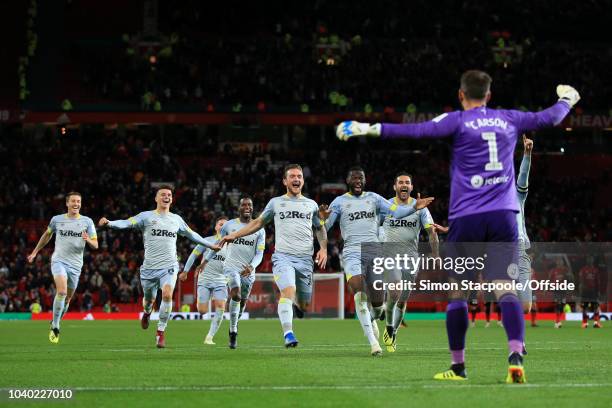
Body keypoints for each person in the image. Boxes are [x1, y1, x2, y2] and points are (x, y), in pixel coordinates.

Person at [337, 70, 579, 382]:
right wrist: (567, 99)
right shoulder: (509, 118)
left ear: (461, 95)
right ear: (489, 96)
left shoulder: (458, 121)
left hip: (468, 217)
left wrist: (365, 128)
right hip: (505, 216)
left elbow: (417, 131)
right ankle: (515, 355)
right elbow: (548, 118)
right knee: (505, 289)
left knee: (459, 292)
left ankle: (458, 367)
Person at [320, 166, 434, 356]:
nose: (358, 180)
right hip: (352, 252)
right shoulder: (339, 202)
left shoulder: (374, 198)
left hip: (374, 253)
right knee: (358, 292)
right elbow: (324, 227)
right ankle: (374, 344)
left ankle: (375, 318)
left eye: (361, 178)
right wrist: (320, 221)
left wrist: (414, 207)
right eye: (354, 178)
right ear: (348, 181)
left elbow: (396, 212)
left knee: (378, 306)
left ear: (365, 181)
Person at [219, 164, 327, 348]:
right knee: (288, 291)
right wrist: (235, 235)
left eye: (299, 176)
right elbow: (258, 223)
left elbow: (320, 227)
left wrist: (323, 248)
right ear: (285, 181)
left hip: (305, 260)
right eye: (292, 176)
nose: (296, 179)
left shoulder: (311, 204)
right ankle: (288, 334)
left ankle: (298, 307)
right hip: (283, 257)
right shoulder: (276, 203)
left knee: (304, 304)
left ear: (303, 180)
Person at [98, 185, 219, 348]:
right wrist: (110, 223)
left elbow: (192, 235)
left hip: (169, 266)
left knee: (167, 295)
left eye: (169, 194)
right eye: (162, 194)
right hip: (149, 268)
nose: (166, 197)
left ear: (171, 199)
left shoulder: (176, 219)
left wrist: (210, 245)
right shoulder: (146, 217)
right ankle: (147, 313)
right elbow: (127, 223)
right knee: (149, 301)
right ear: (156, 198)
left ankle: (160, 332)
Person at [378, 172, 439, 353]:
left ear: (411, 187)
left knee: (403, 301)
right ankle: (388, 325)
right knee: (395, 290)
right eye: (400, 182)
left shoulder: (420, 207)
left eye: (407, 183)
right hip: (390, 255)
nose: (404, 185)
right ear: (395, 187)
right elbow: (374, 226)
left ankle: (393, 332)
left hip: (411, 258)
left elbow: (431, 232)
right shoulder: (386, 206)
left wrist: (435, 254)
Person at [27, 192, 98, 344]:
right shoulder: (57, 220)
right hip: (59, 261)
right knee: (62, 291)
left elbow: (96, 244)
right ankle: (56, 325)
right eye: (73, 201)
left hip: (76, 266)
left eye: (78, 201)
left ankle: (55, 320)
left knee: (67, 300)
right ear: (67, 203)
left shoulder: (87, 222)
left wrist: (88, 240)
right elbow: (47, 235)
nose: (76, 204)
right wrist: (34, 252)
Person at [205, 197, 265, 349]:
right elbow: (218, 245)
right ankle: (233, 332)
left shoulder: (259, 228)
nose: (247, 207)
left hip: (248, 271)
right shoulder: (229, 225)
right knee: (236, 294)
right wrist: (205, 261)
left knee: (242, 301)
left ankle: (234, 323)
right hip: (230, 266)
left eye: (249, 205)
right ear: (239, 208)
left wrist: (252, 267)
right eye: (244, 204)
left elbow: (260, 253)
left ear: (252, 208)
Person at [180, 216, 228, 344]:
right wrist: (185, 271)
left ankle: (210, 337)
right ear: (216, 227)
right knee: (202, 311)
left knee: (221, 307)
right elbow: (193, 255)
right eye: (220, 224)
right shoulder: (207, 241)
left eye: (225, 224)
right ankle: (209, 298)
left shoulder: (232, 244)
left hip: (221, 280)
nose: (222, 226)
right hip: (205, 279)